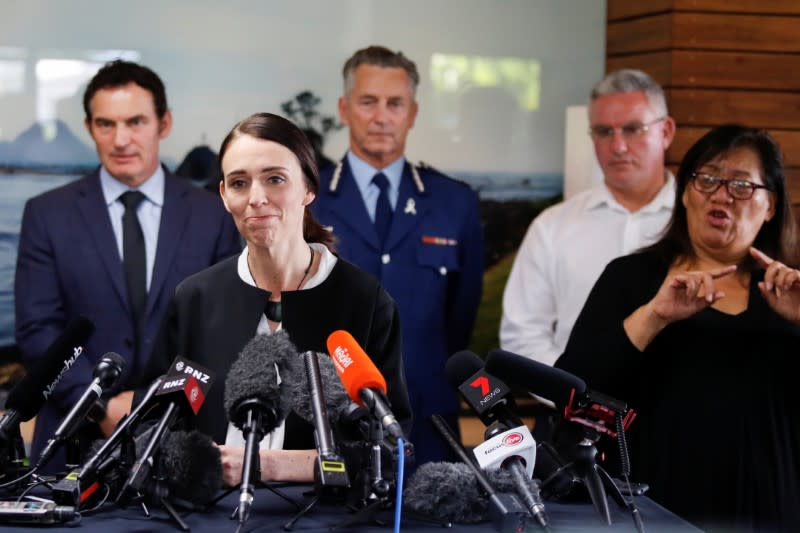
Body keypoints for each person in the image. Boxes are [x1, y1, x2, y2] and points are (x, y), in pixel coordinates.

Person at [140, 112, 412, 484]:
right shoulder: (195, 298)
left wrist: (265, 465)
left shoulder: (366, 302)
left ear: (308, 189)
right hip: (206, 516)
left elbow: (390, 451)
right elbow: (153, 429)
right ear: (223, 195)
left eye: (275, 179)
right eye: (239, 182)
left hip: (324, 520)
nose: (256, 198)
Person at [556, 125, 800, 531]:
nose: (721, 194)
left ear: (771, 205)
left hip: (772, 507)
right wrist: (655, 315)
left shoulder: (793, 289)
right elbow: (572, 389)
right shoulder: (631, 278)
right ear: (685, 193)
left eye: (741, 184)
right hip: (655, 508)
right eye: (707, 179)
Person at [14, 60, 241, 471]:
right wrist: (98, 406)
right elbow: (37, 329)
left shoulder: (215, 216)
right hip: (70, 442)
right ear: (89, 127)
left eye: (136, 122)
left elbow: (224, 332)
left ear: (164, 123)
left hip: (184, 438)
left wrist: (154, 407)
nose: (121, 139)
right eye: (106, 124)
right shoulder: (46, 215)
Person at [311, 46, 483, 464]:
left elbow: (460, 319)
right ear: (345, 108)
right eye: (368, 102)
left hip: (428, 420)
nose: (382, 117)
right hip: (327, 419)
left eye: (395, 103)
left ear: (413, 112)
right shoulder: (307, 198)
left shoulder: (453, 203)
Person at [501, 69, 676, 367]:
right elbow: (522, 337)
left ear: (666, 132)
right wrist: (579, 393)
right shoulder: (553, 225)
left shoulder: (700, 226)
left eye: (633, 129)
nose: (618, 146)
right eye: (604, 131)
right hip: (570, 408)